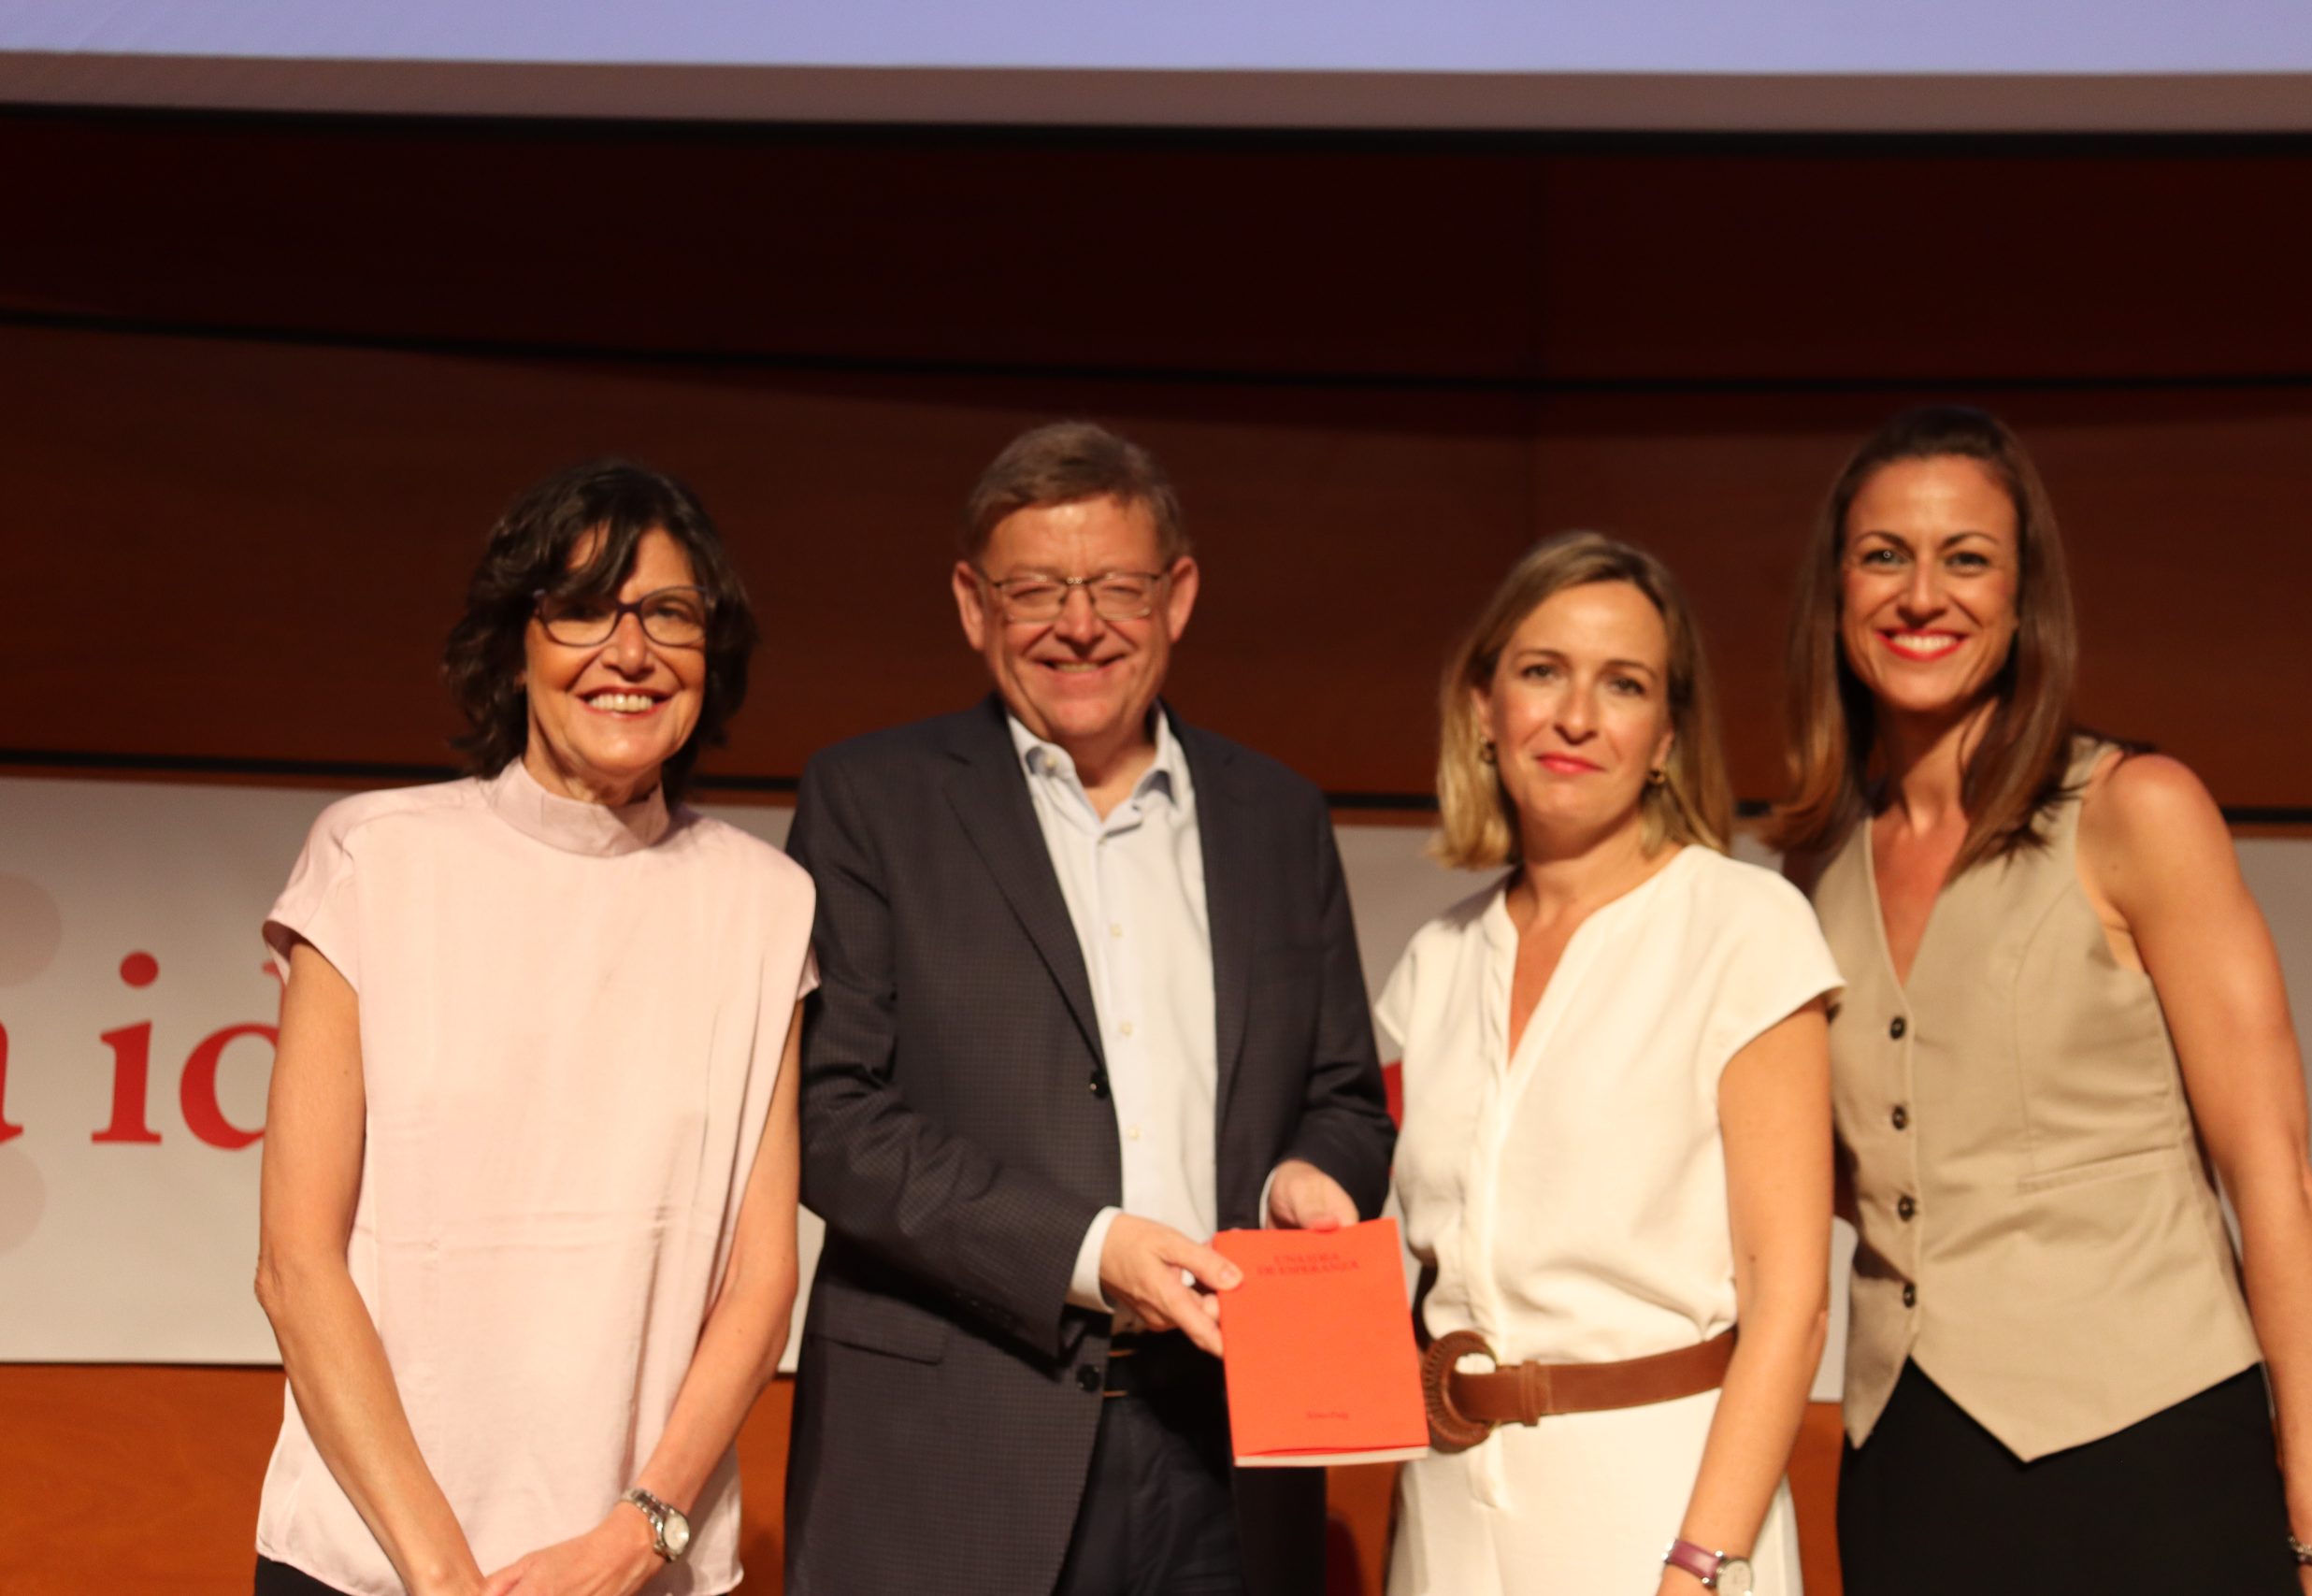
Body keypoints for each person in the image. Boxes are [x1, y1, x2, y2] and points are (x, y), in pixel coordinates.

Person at [1774, 405, 2312, 1595]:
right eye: (1883, 554)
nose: (1921, 595)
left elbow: (2278, 1181)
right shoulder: (1813, 869)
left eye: (1967, 558)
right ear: (1836, 591)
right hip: (1905, 1467)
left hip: (2144, 1449)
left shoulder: (2134, 811)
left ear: (2021, 597)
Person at [783, 420, 1396, 1596]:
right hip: (958, 1443)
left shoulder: (1276, 816)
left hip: (1224, 1442)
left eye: (1116, 586)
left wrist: (1303, 1184)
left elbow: (1339, 1099)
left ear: (1178, 595)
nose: (1079, 624)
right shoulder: (871, 801)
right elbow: (834, 1119)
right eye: (1035, 590)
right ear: (972, 602)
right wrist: (1090, 1251)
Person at [250, 462, 813, 1596]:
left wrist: (632, 1538)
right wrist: (444, 1576)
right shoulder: (374, 858)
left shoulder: (763, 902)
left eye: (668, 613)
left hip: (635, 1572)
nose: (631, 650)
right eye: (583, 609)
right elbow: (297, 1266)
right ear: (517, 645)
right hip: (372, 1566)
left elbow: (760, 1282)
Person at [1379, 532, 1840, 1596]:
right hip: (1447, 1504)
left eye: (1621, 684)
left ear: (1668, 735)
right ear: (1483, 708)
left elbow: (1790, 1303)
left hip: (1659, 1501)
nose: (1575, 717)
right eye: (1542, 672)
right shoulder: (1435, 962)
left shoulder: (1744, 927)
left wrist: (1699, 1562)